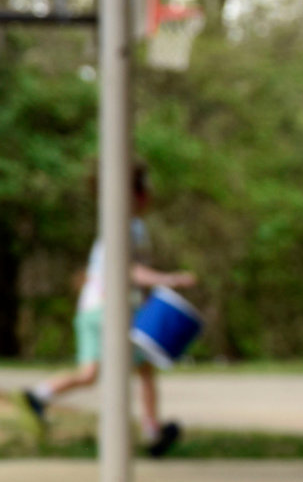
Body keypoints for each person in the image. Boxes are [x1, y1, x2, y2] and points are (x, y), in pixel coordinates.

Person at [22, 165, 195, 458]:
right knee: (144, 367)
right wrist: (169, 280)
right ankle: (152, 432)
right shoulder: (129, 226)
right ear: (137, 195)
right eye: (146, 191)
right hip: (110, 310)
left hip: (90, 309)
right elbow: (127, 269)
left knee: (90, 373)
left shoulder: (116, 225)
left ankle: (38, 395)